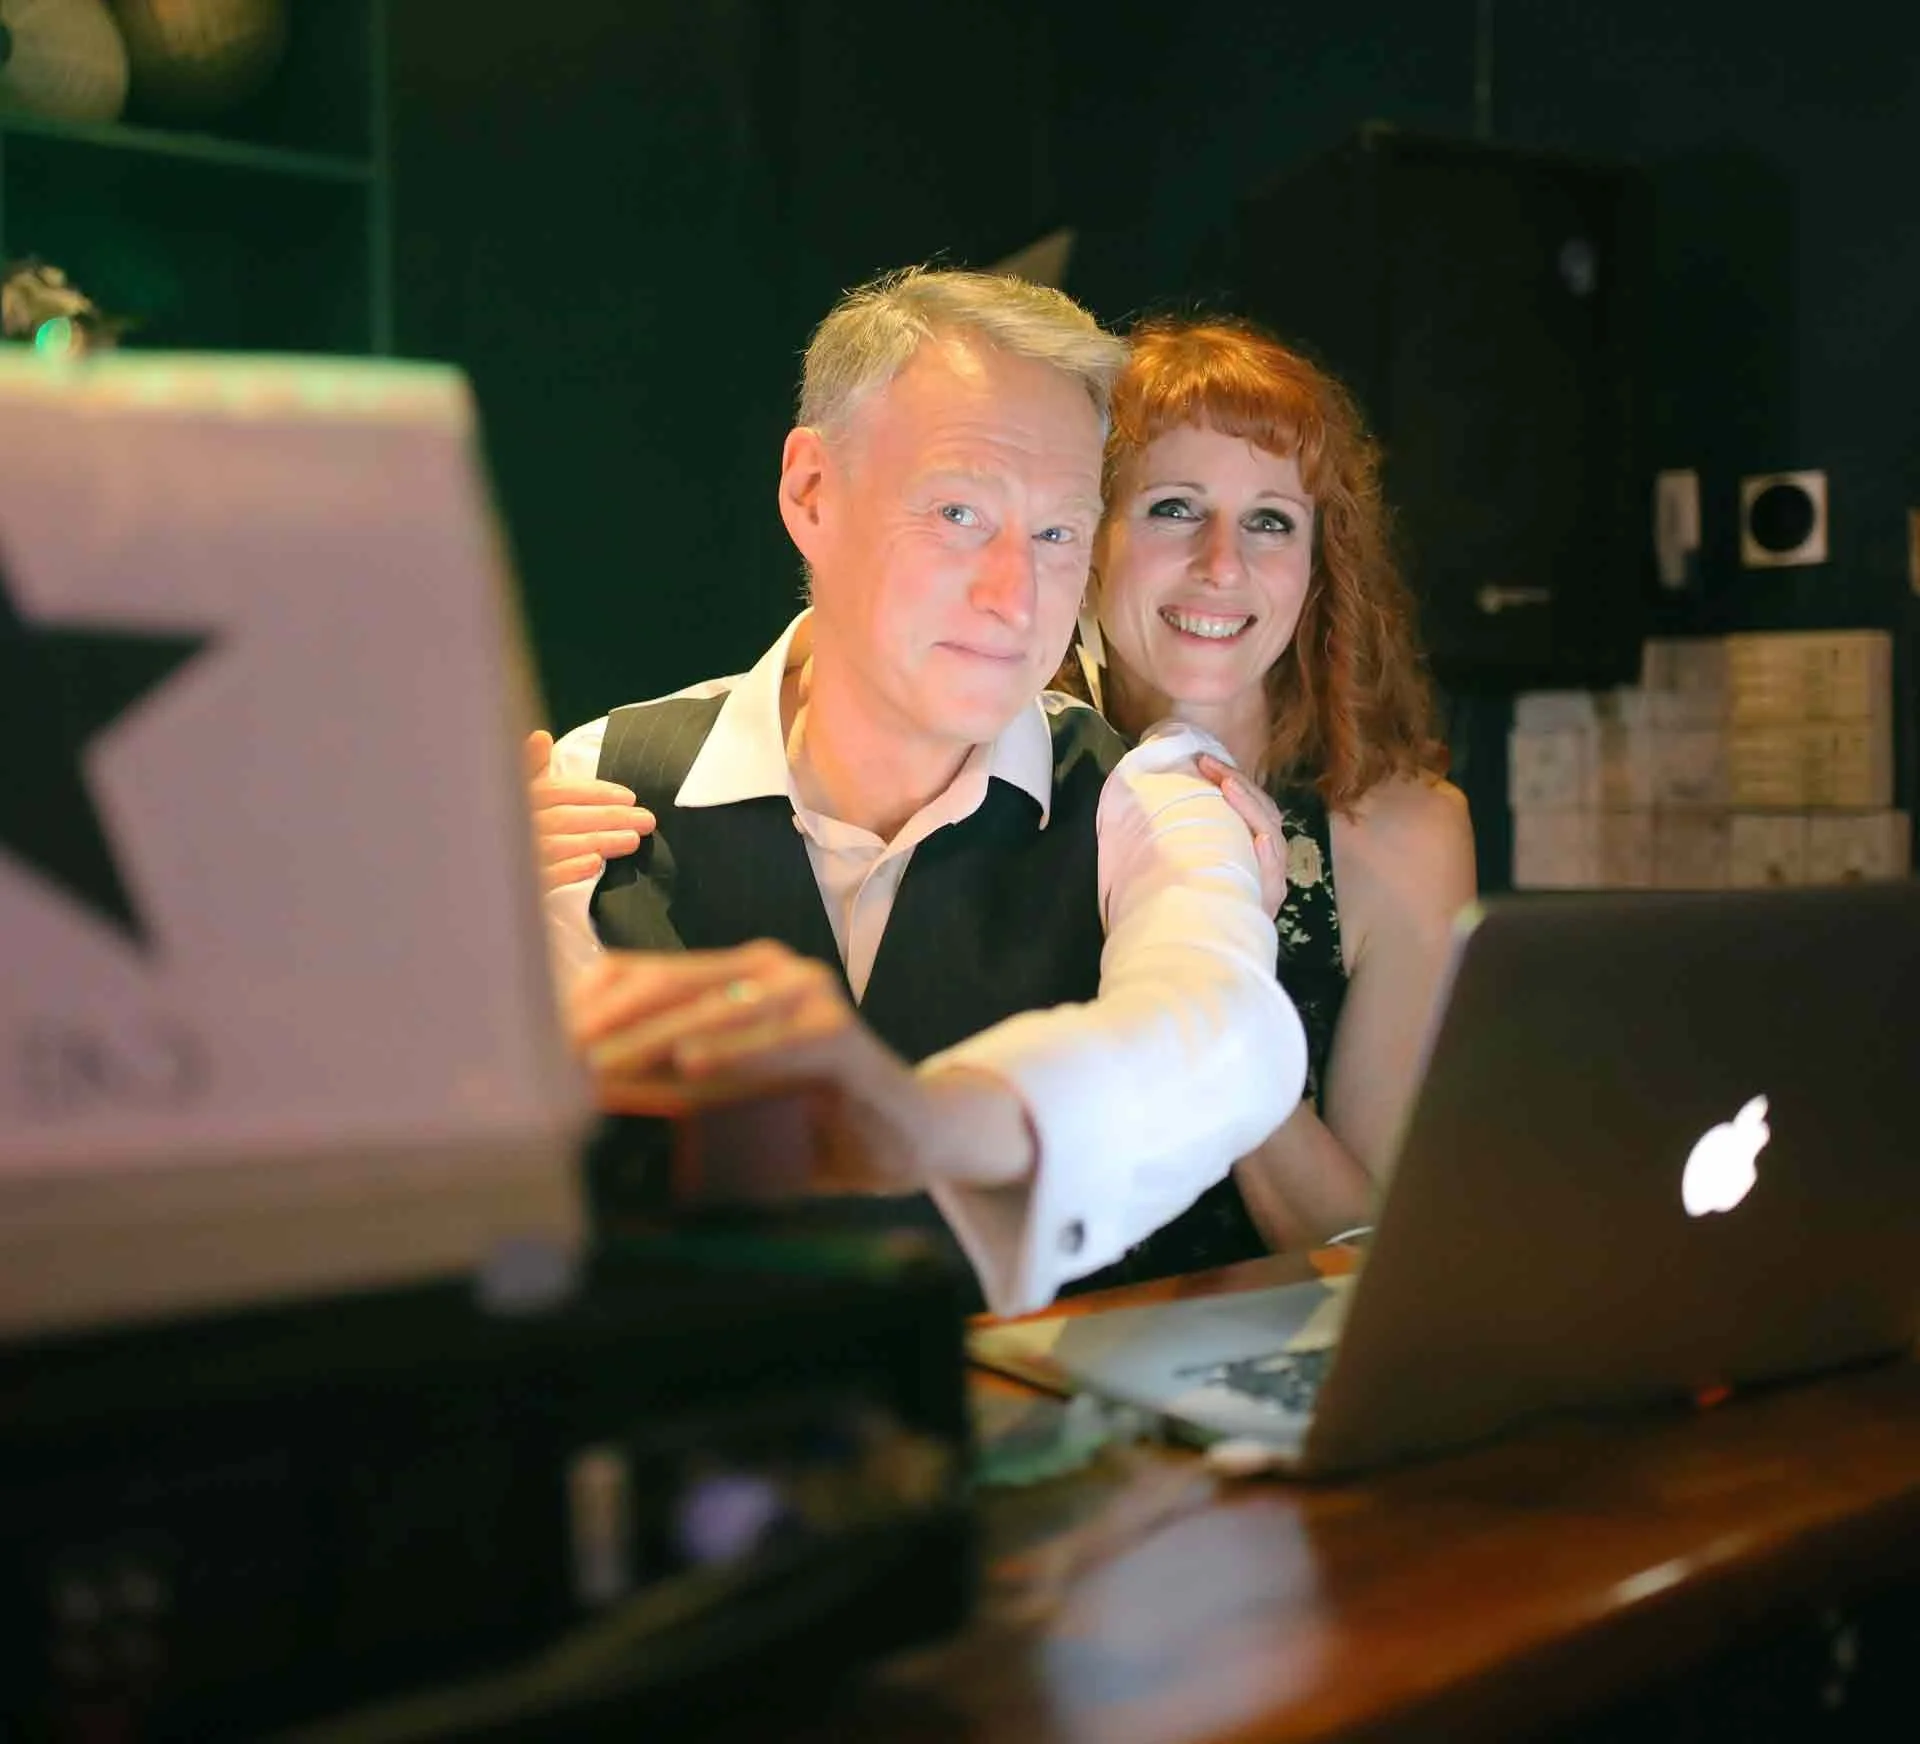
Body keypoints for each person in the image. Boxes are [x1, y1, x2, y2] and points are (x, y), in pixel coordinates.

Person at [529, 268, 1307, 1317]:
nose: (1014, 595)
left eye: (1057, 533)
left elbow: (1225, 1031)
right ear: (812, 494)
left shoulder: (1149, 796)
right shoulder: (589, 786)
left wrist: (923, 1122)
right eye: (958, 511)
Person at [1062, 315, 1476, 1286]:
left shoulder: (1404, 832)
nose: (1222, 564)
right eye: (1174, 507)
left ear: (1317, 565)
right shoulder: (989, 781)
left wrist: (1220, 1018)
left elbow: (1370, 1256)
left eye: (1270, 521)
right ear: (1087, 535)